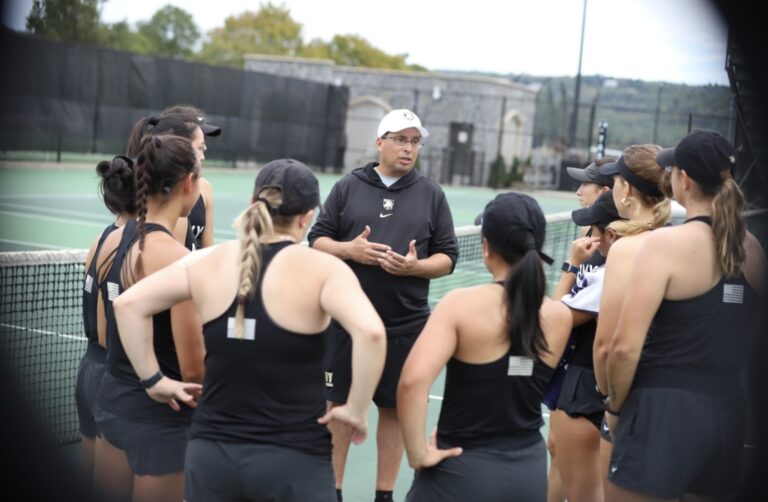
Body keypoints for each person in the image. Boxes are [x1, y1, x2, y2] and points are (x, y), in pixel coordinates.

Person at [113, 159, 387, 502]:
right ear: (307, 217)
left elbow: (128, 305)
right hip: (293, 461)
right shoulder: (324, 270)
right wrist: (355, 410)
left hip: (210, 457)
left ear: (252, 203)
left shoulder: (206, 261)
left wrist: (153, 381)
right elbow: (372, 334)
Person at [603, 131, 766, 501]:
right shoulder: (753, 249)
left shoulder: (664, 245)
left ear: (685, 180)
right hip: (728, 415)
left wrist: (614, 408)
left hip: (660, 412)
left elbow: (623, 348)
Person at [308, 109, 459, 502]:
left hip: (405, 326)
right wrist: (350, 250)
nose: (408, 148)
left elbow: (447, 258)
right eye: (400, 139)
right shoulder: (348, 186)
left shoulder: (431, 194)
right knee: (337, 406)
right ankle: (333, 491)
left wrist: (414, 267)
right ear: (380, 143)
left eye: (415, 141)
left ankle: (384, 495)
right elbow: (317, 240)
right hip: (345, 324)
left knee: (393, 410)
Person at [397, 192, 572, 502]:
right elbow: (518, 371)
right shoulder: (560, 317)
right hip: (529, 475)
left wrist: (418, 454)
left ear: (487, 247)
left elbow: (411, 383)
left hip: (461, 473)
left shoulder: (460, 304)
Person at [93, 134, 205, 502]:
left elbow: (107, 332)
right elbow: (193, 371)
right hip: (162, 423)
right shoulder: (181, 262)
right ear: (188, 182)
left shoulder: (115, 239)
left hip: (113, 402)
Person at [590, 144, 671, 498]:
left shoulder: (626, 248)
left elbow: (607, 345)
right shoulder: (684, 242)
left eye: (616, 181)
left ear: (626, 189)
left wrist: (609, 401)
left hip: (636, 402)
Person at [547, 156, 615, 502]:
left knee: (588, 477)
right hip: (572, 361)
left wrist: (571, 266)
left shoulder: (613, 251)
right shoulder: (590, 236)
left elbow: (555, 314)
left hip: (589, 371)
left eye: (585, 184)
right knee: (555, 445)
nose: (578, 191)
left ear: (606, 192)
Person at [76, 154, 136, 487]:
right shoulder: (129, 247)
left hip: (87, 370)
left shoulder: (100, 240)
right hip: (111, 376)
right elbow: (107, 330)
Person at [127, 105, 221, 250]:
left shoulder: (204, 188)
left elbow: (208, 250)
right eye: (200, 146)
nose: (203, 154)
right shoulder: (149, 191)